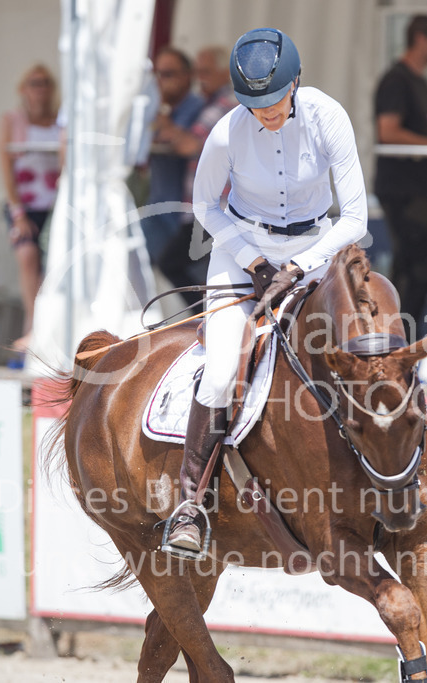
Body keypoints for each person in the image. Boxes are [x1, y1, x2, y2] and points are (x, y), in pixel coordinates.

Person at [162, 27, 369, 556]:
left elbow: (356, 218)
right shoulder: (228, 132)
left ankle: (408, 486)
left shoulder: (328, 118)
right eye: (255, 104)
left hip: (315, 246)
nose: (266, 113)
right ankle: (190, 505)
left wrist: (298, 265)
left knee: (368, 347)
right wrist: (254, 262)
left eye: (275, 101)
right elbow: (206, 205)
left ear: (295, 81)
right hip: (241, 251)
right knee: (223, 368)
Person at [373, 14, 427, 338]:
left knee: (416, 271)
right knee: (414, 272)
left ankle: (400, 344)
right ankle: (396, 344)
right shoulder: (396, 80)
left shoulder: (422, 81)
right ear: (421, 37)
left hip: (423, 189)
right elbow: (387, 132)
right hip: (404, 191)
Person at [153, 45, 238, 306]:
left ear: (225, 73)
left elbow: (189, 144)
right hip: (209, 208)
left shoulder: (223, 105)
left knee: (171, 263)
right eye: (198, 71)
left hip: (215, 208)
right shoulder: (212, 104)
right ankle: (210, 314)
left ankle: (205, 314)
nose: (200, 77)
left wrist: (163, 117)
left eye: (206, 71)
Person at [0, 63, 62, 354]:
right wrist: (17, 211)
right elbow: (5, 166)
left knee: (51, 264)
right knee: (26, 256)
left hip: (53, 204)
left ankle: (40, 327)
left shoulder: (59, 121)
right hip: (24, 203)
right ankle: (33, 324)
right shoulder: (12, 120)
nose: (41, 88)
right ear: (24, 89)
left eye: (46, 82)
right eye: (35, 83)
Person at [140, 48, 205, 278]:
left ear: (187, 75)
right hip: (159, 208)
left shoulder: (197, 107)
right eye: (157, 74)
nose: (160, 81)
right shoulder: (162, 109)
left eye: (168, 74)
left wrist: (160, 121)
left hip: (184, 213)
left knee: (182, 274)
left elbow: (185, 144)